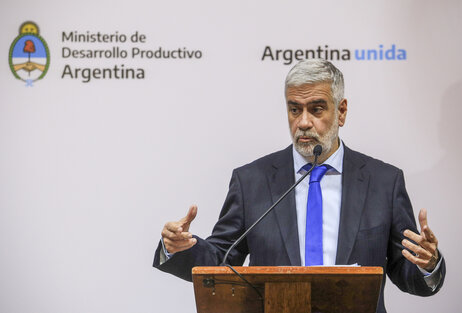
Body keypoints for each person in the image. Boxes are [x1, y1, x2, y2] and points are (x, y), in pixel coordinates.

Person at [153, 59, 445, 313]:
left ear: (341, 112)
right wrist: (179, 248)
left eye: (316, 109)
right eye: (295, 110)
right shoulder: (252, 181)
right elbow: (222, 260)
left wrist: (427, 264)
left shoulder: (384, 182)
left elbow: (403, 269)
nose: (304, 122)